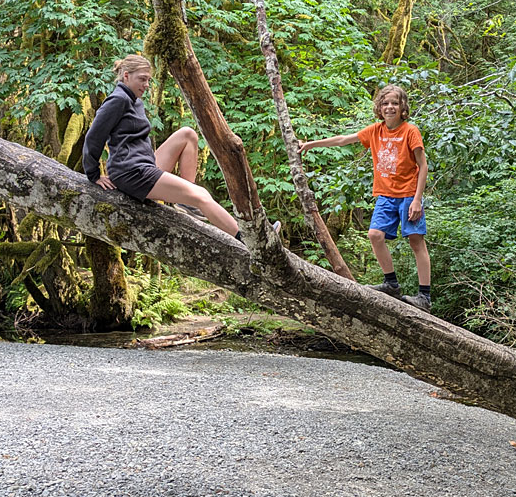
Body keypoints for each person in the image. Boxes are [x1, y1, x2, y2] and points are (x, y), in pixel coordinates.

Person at [83, 55, 277, 242]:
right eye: (142, 79)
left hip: (144, 165)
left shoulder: (135, 101)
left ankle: (185, 203)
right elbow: (94, 136)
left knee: (187, 134)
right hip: (132, 173)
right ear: (126, 76)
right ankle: (251, 240)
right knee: (201, 195)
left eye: (148, 80)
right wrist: (94, 174)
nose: (146, 84)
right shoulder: (118, 100)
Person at [298, 84, 432, 312]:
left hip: (409, 194)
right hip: (385, 195)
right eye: (385, 103)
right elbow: (343, 140)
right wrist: (310, 145)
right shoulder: (375, 131)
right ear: (379, 107)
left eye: (395, 103)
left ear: (402, 107)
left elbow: (423, 165)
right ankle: (391, 284)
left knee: (415, 241)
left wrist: (417, 200)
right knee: (375, 235)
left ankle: (424, 297)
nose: (390, 107)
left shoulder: (410, 131)